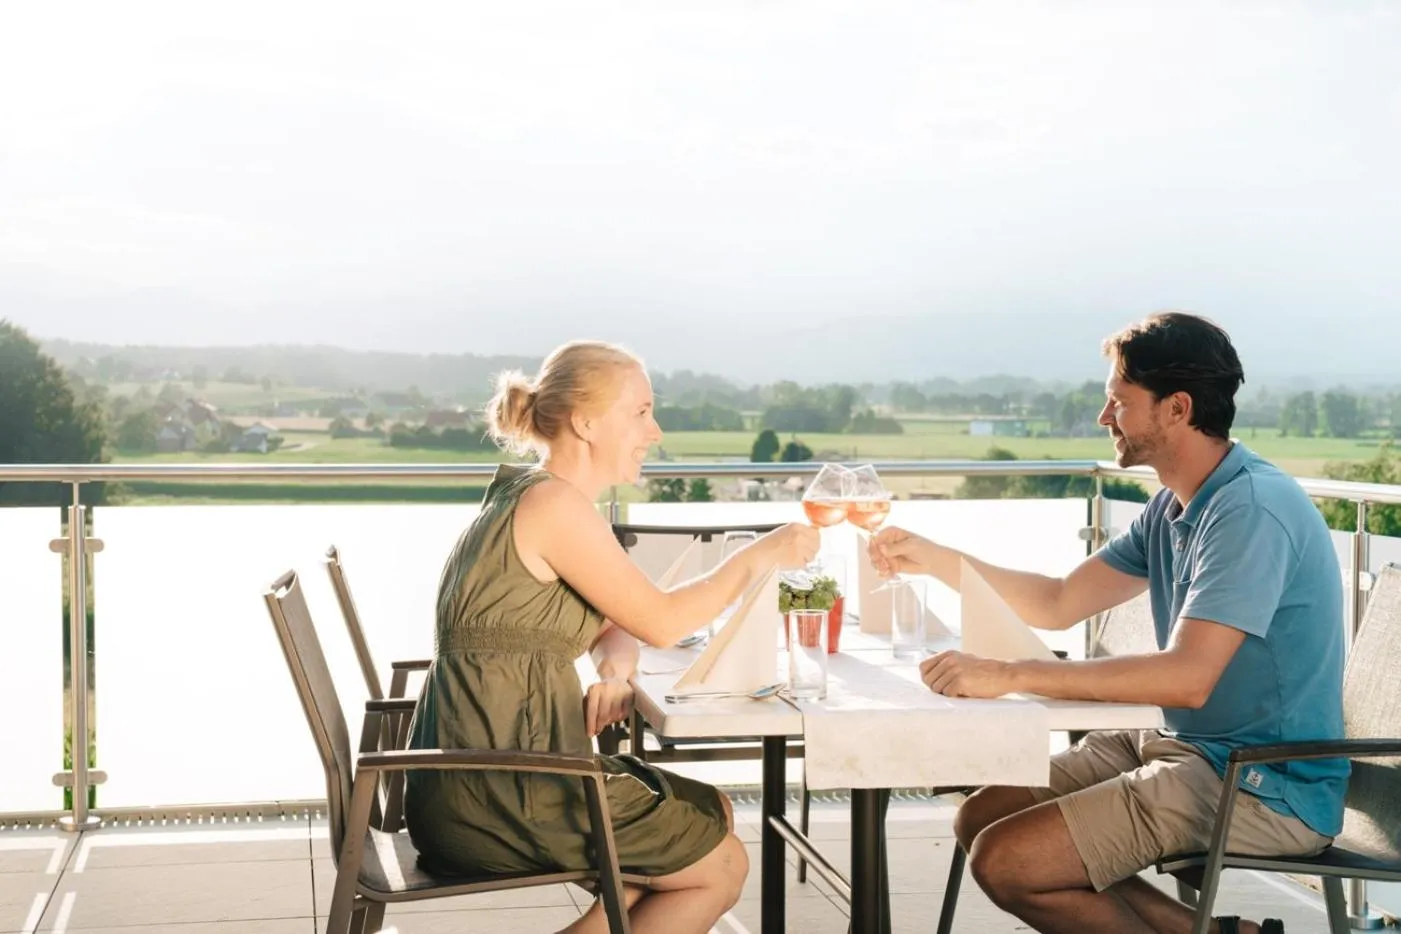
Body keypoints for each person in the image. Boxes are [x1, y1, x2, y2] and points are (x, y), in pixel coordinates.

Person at [870, 312, 1346, 934]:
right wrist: (935, 559)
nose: (1103, 417)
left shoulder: (1250, 510)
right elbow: (1059, 601)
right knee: (981, 817)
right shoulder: (1174, 504)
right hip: (1186, 746)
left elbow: (1187, 678)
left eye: (1118, 402)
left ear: (1177, 408)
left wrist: (1010, 674)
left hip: (1262, 780)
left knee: (1009, 861)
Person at [404, 339, 819, 934]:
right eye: (641, 412)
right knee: (722, 866)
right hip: (501, 788)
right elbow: (662, 622)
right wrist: (760, 554)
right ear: (586, 423)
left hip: (487, 773)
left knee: (714, 810)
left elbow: (613, 620)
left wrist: (614, 671)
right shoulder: (554, 507)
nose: (656, 431)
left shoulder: (533, 495)